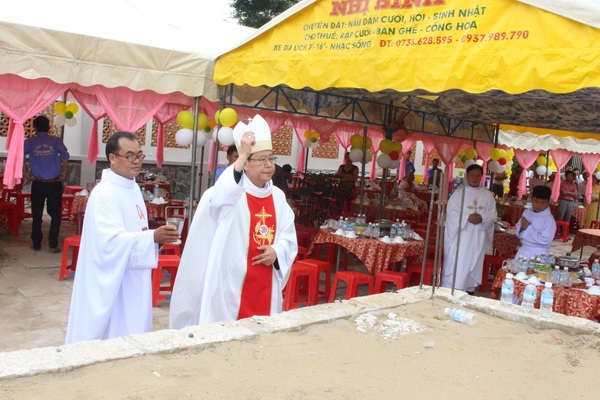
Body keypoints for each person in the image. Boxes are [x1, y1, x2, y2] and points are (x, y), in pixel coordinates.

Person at [169, 114, 297, 328]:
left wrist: (277, 251)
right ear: (245, 164)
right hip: (230, 277)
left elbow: (288, 236)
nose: (268, 165)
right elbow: (220, 197)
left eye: (271, 158)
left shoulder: (278, 197)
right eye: (261, 159)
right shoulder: (231, 192)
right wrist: (242, 155)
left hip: (265, 276)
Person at [65, 132, 180, 344]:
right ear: (112, 158)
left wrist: (156, 239)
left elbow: (136, 230)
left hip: (132, 277)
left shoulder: (133, 187)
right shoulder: (105, 193)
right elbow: (109, 243)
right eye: (130, 156)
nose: (137, 161)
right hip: (111, 281)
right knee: (112, 336)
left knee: (133, 331)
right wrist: (151, 237)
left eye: (140, 155)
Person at [442, 164, 497, 293]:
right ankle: (452, 290)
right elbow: (451, 212)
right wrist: (467, 217)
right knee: (458, 263)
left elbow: (492, 214)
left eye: (478, 175)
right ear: (467, 175)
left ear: (482, 177)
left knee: (474, 263)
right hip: (461, 238)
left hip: (477, 237)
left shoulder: (487, 195)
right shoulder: (459, 194)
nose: (475, 178)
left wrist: (482, 217)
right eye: (472, 175)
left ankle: (469, 290)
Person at [23, 116, 70, 253]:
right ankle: (53, 244)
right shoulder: (55, 141)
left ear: (35, 128)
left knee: (36, 214)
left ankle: (36, 244)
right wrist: (64, 170)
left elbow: (20, 156)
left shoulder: (30, 142)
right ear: (49, 127)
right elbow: (65, 155)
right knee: (55, 215)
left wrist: (26, 171)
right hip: (54, 183)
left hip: (38, 184)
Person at [514, 186, 556, 259]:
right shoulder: (526, 213)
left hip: (539, 254)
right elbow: (519, 230)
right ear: (531, 199)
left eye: (542, 203)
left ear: (548, 202)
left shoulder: (549, 219)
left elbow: (546, 240)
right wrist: (521, 229)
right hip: (523, 250)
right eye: (536, 201)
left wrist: (528, 227)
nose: (539, 205)